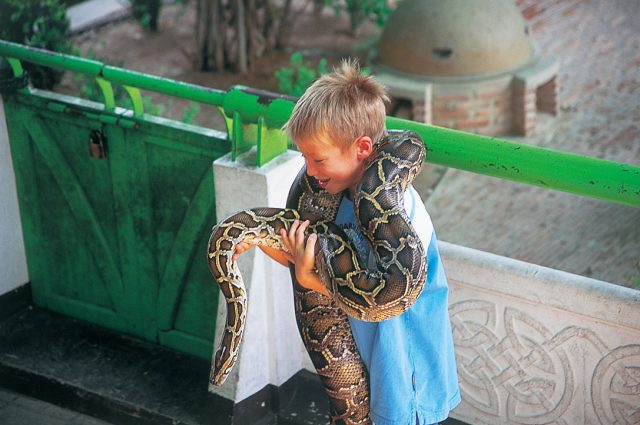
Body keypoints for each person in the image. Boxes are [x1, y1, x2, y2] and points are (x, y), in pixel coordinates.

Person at [233, 59, 460, 425]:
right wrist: (260, 240)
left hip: (406, 365)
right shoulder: (338, 197)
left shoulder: (399, 213)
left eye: (318, 159)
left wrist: (313, 284)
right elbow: (304, 259)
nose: (308, 171)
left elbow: (387, 296)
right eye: (305, 157)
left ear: (363, 148)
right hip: (367, 352)